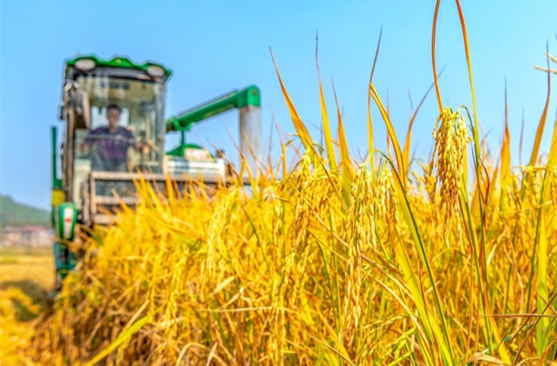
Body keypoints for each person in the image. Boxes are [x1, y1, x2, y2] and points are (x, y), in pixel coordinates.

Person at [80, 104, 144, 172]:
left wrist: (144, 146)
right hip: (101, 166)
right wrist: (83, 147)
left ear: (119, 117)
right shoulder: (98, 132)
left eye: (116, 115)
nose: (113, 118)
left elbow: (136, 146)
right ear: (107, 117)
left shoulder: (126, 132)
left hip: (120, 168)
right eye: (111, 115)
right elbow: (84, 145)